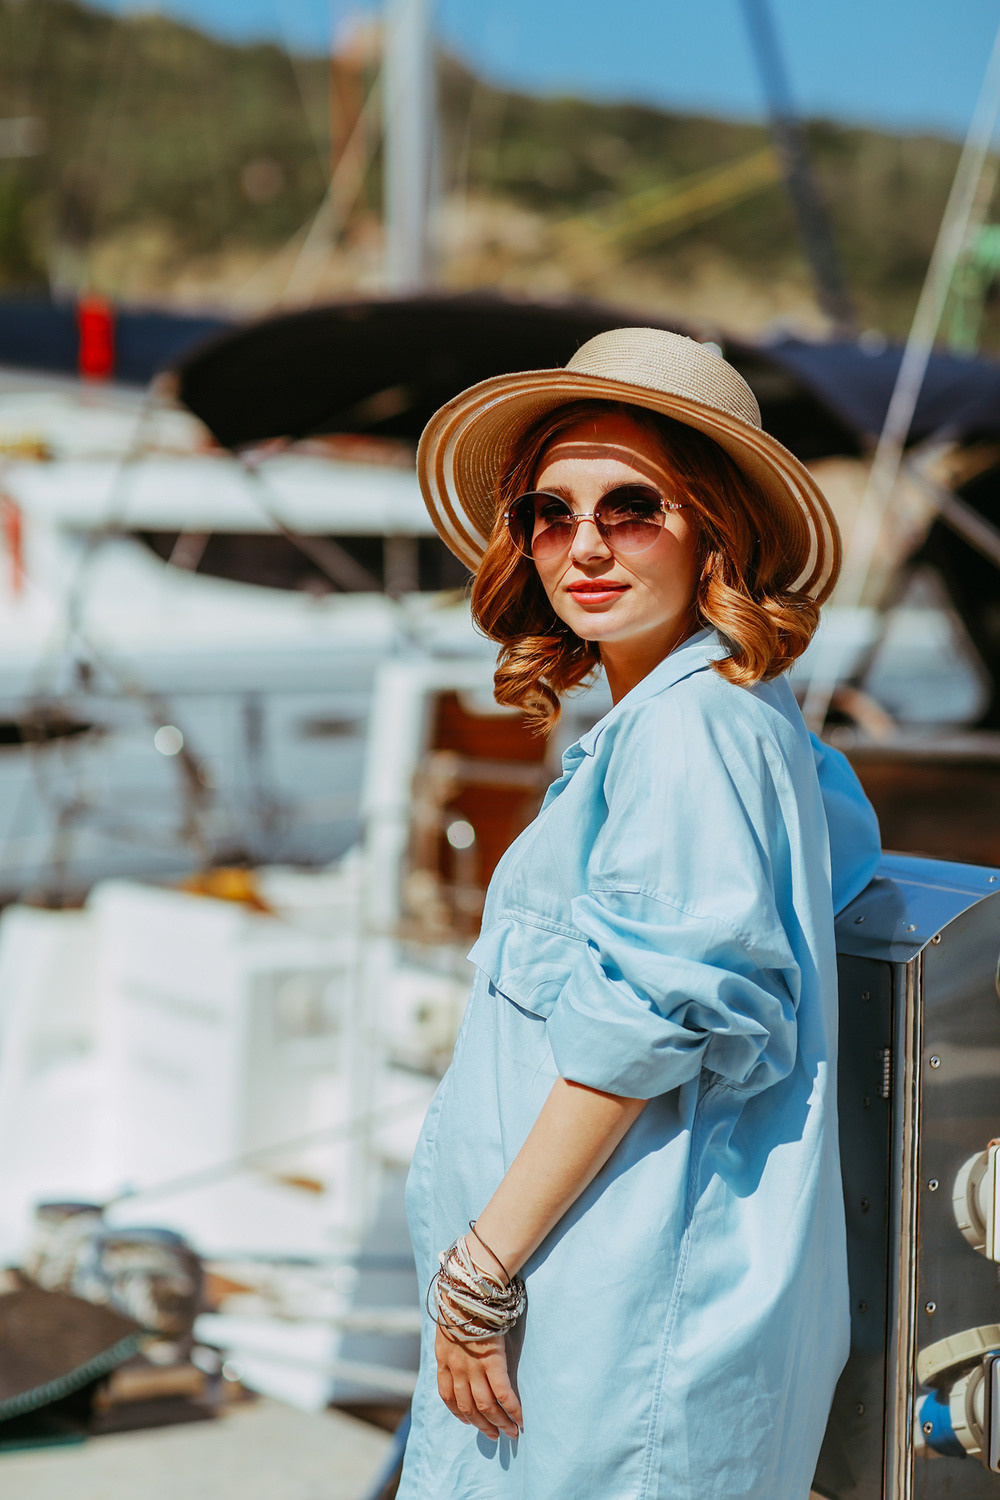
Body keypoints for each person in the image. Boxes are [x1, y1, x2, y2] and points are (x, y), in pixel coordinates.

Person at [397, 328, 881, 1500]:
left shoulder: (691, 731)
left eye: (632, 507)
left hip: (610, 1336)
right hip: (592, 1320)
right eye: (550, 514)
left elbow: (641, 1030)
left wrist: (479, 1275)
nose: (585, 545)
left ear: (715, 525)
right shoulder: (710, 722)